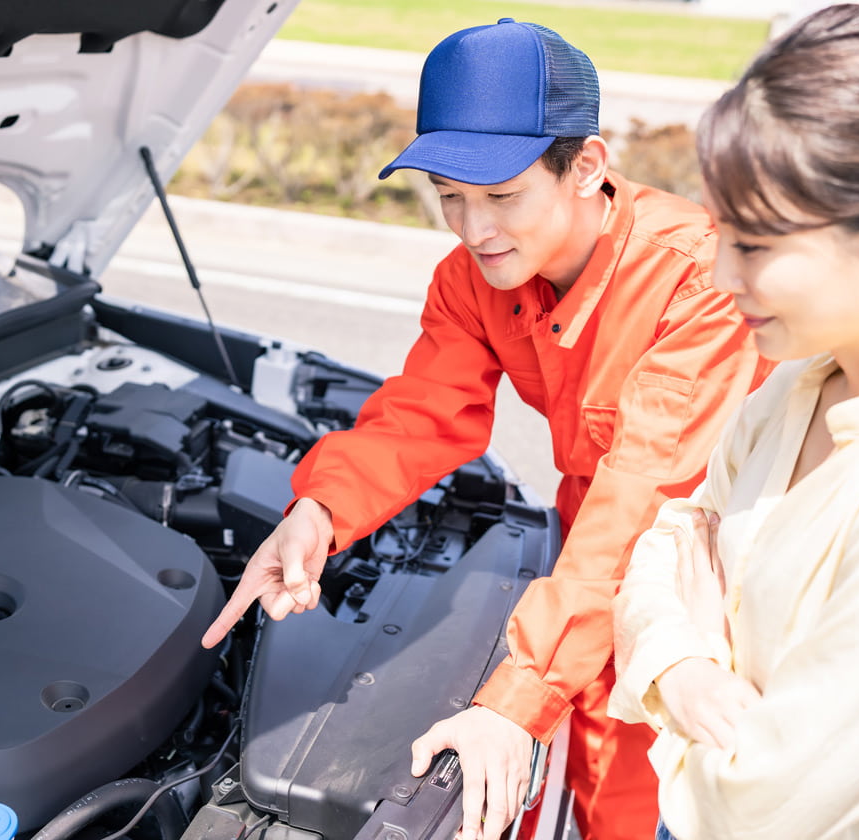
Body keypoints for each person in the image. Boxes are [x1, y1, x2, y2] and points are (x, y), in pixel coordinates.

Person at [201, 19, 772, 840]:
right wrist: (319, 511)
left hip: (715, 584)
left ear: (586, 168)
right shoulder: (473, 278)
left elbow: (641, 501)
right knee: (592, 785)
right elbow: (424, 412)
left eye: (501, 195)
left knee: (673, 800)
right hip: (597, 566)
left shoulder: (694, 280)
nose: (475, 231)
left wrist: (518, 699)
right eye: (450, 197)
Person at [608, 4, 859, 838]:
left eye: (756, 246)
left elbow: (760, 806)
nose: (718, 273)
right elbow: (668, 540)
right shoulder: (801, 385)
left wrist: (675, 662)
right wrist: (692, 668)